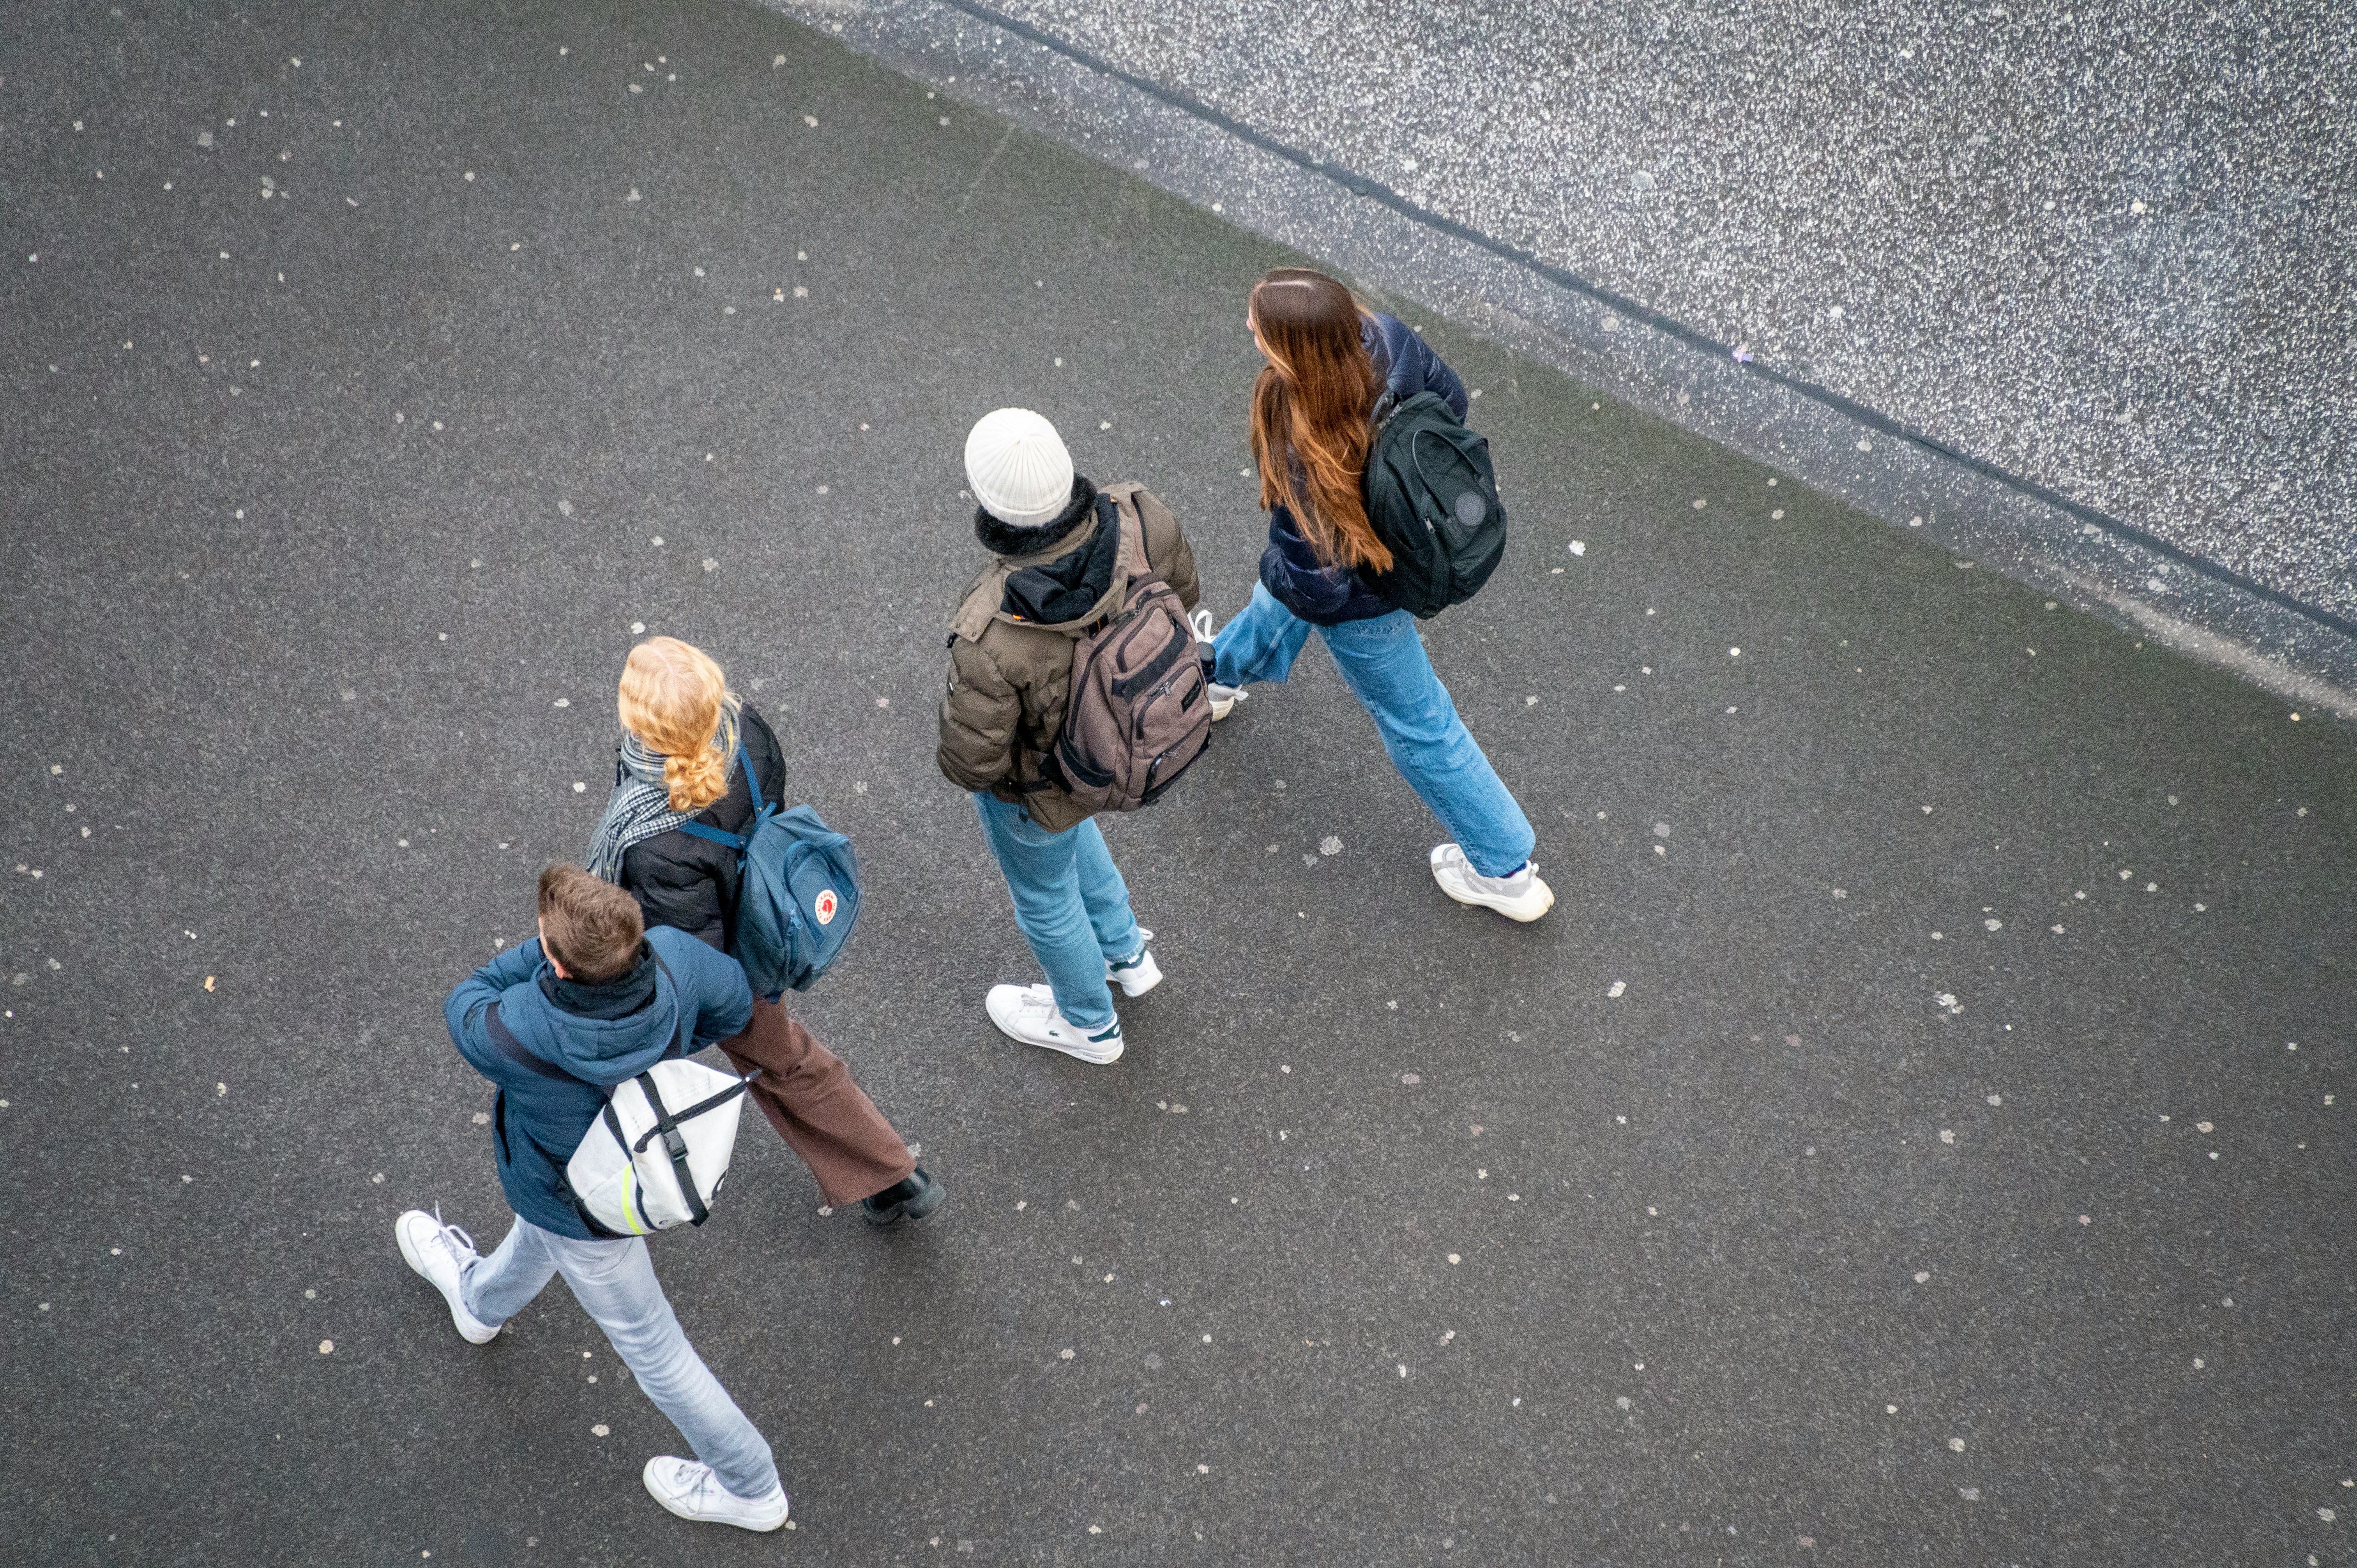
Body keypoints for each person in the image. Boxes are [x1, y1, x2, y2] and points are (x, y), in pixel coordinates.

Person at [395, 864, 790, 1532]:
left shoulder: (516, 1030)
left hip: (573, 1199)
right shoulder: (679, 961)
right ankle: (479, 1300)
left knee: (657, 1353)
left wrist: (543, 953)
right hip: (635, 1172)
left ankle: (752, 1487)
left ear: (559, 963)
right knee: (541, 1239)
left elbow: (468, 998)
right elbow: (732, 1006)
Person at [1199, 268, 1554, 922]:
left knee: (1422, 727)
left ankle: (1505, 869)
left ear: (1294, 352)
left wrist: (1286, 570)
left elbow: (1317, 585)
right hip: (1395, 555)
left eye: (1260, 325)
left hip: (1360, 598)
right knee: (1279, 593)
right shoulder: (1383, 336)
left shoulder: (1293, 424)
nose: (1249, 327)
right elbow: (1452, 401)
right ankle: (1216, 674)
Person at [587, 635, 942, 1226]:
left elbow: (687, 953)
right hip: (764, 923)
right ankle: (893, 1174)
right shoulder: (744, 728)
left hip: (724, 964)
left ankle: (600, 1179)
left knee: (604, 1054)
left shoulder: (654, 838)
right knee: (789, 1061)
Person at [937, 407, 1201, 1063]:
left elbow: (972, 762)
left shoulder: (993, 629)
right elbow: (1186, 596)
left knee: (1045, 898)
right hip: (1119, 749)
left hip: (1043, 784)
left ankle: (1088, 1022)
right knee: (1075, 837)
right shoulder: (1142, 516)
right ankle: (1125, 953)